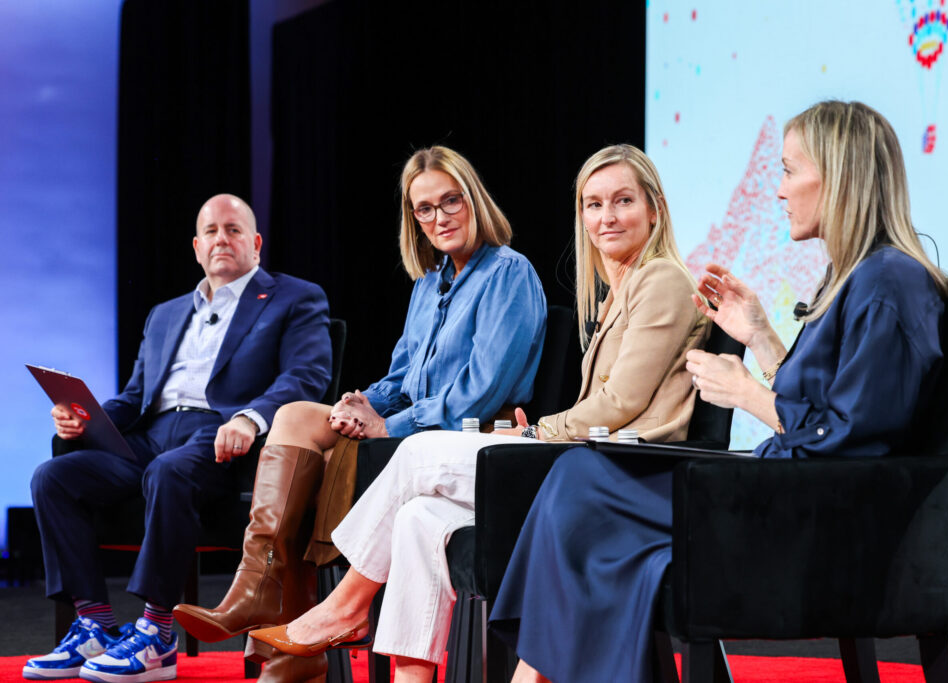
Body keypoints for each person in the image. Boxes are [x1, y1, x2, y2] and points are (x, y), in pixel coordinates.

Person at [488, 100, 948, 683]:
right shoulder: (859, 276)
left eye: (788, 171)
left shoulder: (890, 282)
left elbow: (850, 440)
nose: (778, 190)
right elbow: (828, 408)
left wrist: (747, 393)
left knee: (580, 482)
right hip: (789, 491)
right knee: (598, 522)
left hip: (812, 516)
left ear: (837, 178)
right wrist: (760, 336)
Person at [243, 143, 710, 683]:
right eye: (593, 204)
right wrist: (368, 402)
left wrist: (538, 428)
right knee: (417, 517)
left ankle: (345, 606)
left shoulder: (661, 280)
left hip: (610, 475)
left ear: (654, 207)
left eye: (622, 201)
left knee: (416, 452)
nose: (606, 218)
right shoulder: (617, 290)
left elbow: (620, 404)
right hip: (581, 459)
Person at [173, 146, 547, 682]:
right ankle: (260, 585)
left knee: (309, 453)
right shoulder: (429, 282)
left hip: (454, 444)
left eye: (450, 202)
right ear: (412, 218)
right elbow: (400, 377)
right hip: (405, 435)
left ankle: (293, 622)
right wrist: (363, 404)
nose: (438, 219)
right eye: (424, 209)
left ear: (474, 200)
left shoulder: (508, 273)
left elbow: (482, 391)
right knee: (301, 415)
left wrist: (389, 425)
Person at [24, 194, 333, 682]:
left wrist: (251, 419)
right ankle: (94, 625)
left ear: (255, 244)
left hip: (223, 439)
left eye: (233, 230)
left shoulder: (294, 298)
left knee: (168, 471)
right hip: (149, 441)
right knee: (53, 477)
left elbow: (306, 376)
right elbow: (135, 396)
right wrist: (85, 417)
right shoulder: (165, 314)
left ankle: (156, 633)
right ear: (196, 246)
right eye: (210, 231)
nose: (221, 239)